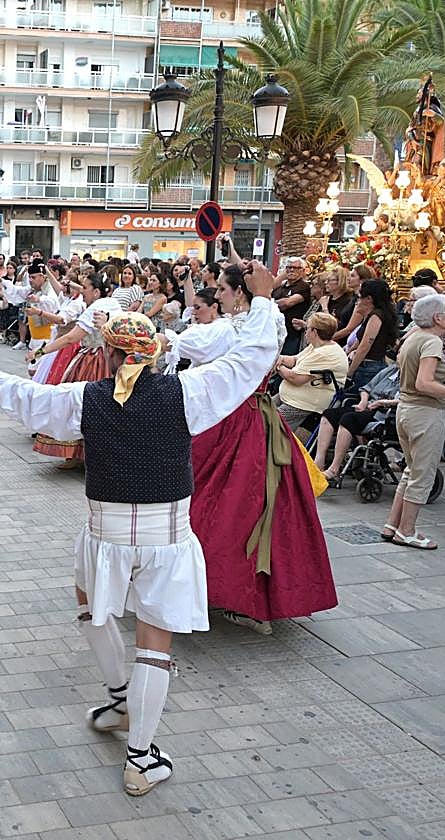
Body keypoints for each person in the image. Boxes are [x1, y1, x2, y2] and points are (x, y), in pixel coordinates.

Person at [0, 259, 279, 796]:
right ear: (155, 355)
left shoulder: (87, 399)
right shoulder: (186, 393)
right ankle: (140, 756)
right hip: (168, 536)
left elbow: (33, 403)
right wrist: (265, 300)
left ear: (108, 355)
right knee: (156, 643)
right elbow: (247, 361)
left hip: (106, 532)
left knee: (90, 605)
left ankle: (118, 697)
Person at [175, 262, 336, 636]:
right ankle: (261, 597)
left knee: (222, 503)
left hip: (232, 419)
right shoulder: (268, 323)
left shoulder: (236, 329)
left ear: (240, 293)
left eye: (224, 291)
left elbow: (190, 345)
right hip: (262, 418)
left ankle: (227, 591)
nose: (218, 296)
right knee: (271, 504)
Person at [384, 294, 445, 549]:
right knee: (422, 475)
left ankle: (392, 524)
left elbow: (429, 379)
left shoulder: (414, 337)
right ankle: (407, 530)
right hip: (424, 413)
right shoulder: (432, 342)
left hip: (407, 410)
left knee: (411, 470)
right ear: (438, 318)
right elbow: (425, 383)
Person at [26, 274, 122, 468]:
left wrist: (41, 351)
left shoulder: (95, 309)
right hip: (111, 360)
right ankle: (91, 454)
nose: (81, 291)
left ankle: (77, 454)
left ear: (96, 291)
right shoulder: (113, 303)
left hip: (93, 360)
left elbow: (71, 338)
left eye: (85, 288)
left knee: (78, 405)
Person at [315, 363, 400, 481]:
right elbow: (366, 388)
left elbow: (406, 400)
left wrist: (382, 403)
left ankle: (334, 468)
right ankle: (319, 461)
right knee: (329, 414)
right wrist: (363, 402)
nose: (398, 356)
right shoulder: (390, 370)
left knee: (348, 419)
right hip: (368, 407)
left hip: (383, 414)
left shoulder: (412, 377)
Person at [274, 312, 350, 433]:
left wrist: (275, 365)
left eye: (307, 328)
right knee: (258, 412)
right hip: (291, 396)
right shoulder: (317, 346)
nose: (305, 331)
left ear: (314, 332)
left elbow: (295, 378)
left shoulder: (325, 353)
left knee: (267, 423)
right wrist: (280, 358)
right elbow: (295, 360)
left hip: (303, 403)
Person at [271, 257, 312, 355]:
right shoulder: (281, 286)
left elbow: (287, 303)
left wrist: (272, 304)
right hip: (275, 333)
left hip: (292, 335)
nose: (291, 270)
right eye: (289, 267)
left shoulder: (303, 286)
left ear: (302, 271)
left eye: (295, 268)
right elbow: (269, 291)